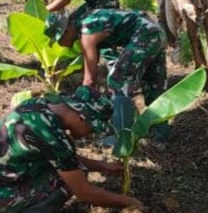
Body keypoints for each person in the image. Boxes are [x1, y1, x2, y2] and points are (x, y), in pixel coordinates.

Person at [0, 86, 144, 213]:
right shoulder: (51, 134)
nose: (89, 134)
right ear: (81, 117)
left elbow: (57, 156)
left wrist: (101, 166)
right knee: (71, 177)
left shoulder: (38, 107)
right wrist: (127, 201)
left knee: (69, 168)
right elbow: (84, 192)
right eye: (91, 129)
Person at [44, 8, 169, 147]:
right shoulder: (88, 20)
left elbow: (90, 79)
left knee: (117, 80)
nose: (59, 44)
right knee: (155, 87)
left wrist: (79, 105)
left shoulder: (87, 33)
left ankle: (120, 137)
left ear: (66, 30)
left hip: (145, 34)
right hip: (154, 30)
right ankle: (161, 137)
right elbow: (92, 63)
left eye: (59, 38)